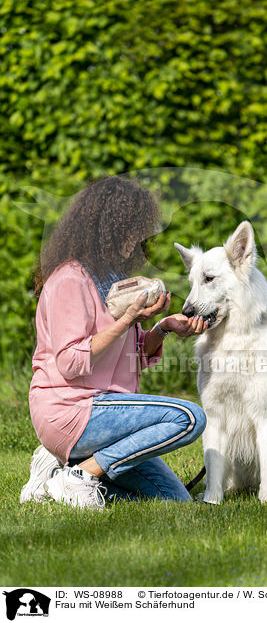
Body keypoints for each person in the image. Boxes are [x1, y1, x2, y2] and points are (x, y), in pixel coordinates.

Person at [20, 176, 207, 508]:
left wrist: (163, 327)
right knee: (189, 417)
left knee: (173, 500)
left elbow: (132, 356)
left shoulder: (113, 278)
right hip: (71, 410)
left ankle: (54, 481)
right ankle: (82, 474)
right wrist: (127, 319)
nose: (137, 237)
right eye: (131, 228)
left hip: (106, 412)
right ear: (104, 228)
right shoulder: (70, 279)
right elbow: (71, 361)